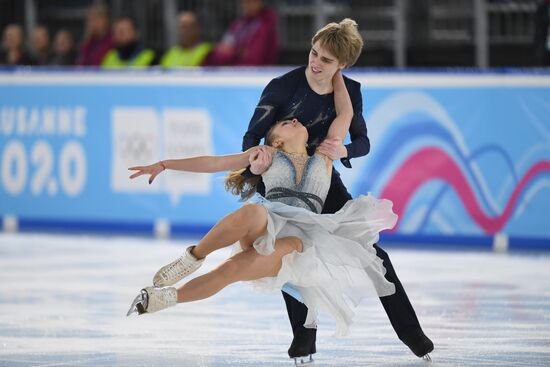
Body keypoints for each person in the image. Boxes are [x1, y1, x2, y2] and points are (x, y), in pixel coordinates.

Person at [126, 70, 398, 344]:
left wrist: (335, 70)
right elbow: (215, 163)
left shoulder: (327, 153)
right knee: (254, 211)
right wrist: (164, 164)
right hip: (267, 223)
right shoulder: (267, 154)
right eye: (285, 123)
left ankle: (165, 298)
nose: (294, 119)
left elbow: (345, 114)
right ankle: (192, 258)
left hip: (301, 241)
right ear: (276, 139)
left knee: (231, 269)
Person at [240, 19, 434, 361]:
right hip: (283, 184)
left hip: (323, 184)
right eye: (314, 53)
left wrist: (342, 151)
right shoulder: (282, 87)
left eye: (327, 60)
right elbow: (251, 135)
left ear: (342, 64)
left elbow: (363, 142)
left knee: (374, 255)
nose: (316, 63)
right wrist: (255, 166)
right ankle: (304, 339)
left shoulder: (350, 91)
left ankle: (413, 335)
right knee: (291, 256)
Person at [204, 0, 279, 66]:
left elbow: (254, 60)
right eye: (244, 1)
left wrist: (232, 52)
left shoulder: (265, 27)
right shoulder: (237, 25)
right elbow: (218, 54)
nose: (247, 4)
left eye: (252, 1)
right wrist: (238, 52)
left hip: (257, 77)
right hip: (236, 73)